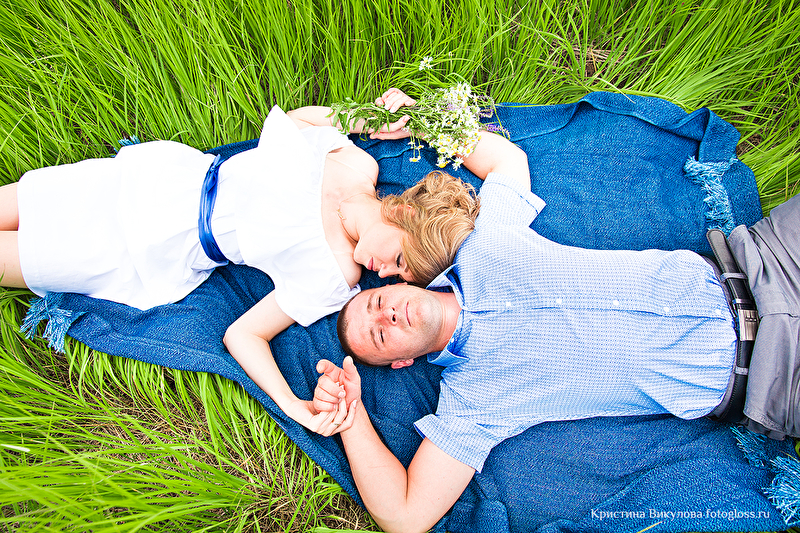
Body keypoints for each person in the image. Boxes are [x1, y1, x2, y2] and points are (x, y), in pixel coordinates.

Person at [312, 123, 800, 532]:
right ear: (403, 362)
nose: (385, 315)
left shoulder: (482, 245)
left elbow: (506, 161)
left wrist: (421, 117)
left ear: (400, 285)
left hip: (767, 261)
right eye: (379, 334)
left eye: (377, 301)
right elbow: (405, 516)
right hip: (775, 372)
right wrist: (351, 418)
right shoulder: (474, 403)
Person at [0, 88, 479, 434]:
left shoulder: (337, 274)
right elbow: (296, 122)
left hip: (149, 250)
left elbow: (244, 334)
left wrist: (291, 404)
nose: (386, 275)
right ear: (405, 213)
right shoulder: (358, 164)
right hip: (156, 180)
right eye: (400, 259)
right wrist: (370, 118)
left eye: (400, 276)